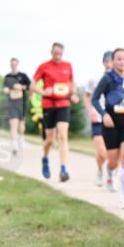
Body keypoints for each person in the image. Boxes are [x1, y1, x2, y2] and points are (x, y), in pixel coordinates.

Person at [93, 48, 124, 209]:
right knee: (113, 160)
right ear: (112, 61)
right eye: (118, 59)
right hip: (111, 122)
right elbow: (94, 99)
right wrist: (104, 114)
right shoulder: (107, 78)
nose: (122, 62)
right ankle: (109, 172)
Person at [31, 42, 77, 181]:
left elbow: (71, 83)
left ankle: (63, 169)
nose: (58, 55)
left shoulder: (67, 66)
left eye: (60, 53)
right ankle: (45, 158)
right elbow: (32, 85)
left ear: (62, 53)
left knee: (63, 135)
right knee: (50, 139)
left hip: (63, 103)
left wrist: (73, 93)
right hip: (48, 104)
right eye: (55, 53)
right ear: (51, 52)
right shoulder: (43, 66)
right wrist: (43, 91)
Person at [84, 51, 113, 187]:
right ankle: (103, 171)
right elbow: (87, 96)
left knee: (111, 151)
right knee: (102, 151)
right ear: (103, 62)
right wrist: (90, 111)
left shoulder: (119, 79)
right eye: (106, 61)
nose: (109, 64)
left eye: (110, 61)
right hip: (97, 116)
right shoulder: (95, 79)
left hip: (113, 118)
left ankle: (106, 175)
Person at [3, 58, 31, 155]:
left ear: (18, 64)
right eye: (12, 64)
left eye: (15, 64)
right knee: (13, 124)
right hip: (11, 104)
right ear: (10, 65)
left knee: (21, 126)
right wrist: (6, 90)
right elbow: (5, 87)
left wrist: (22, 87)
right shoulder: (7, 76)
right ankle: (14, 146)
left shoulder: (23, 76)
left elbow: (30, 87)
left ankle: (21, 140)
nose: (13, 65)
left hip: (22, 103)